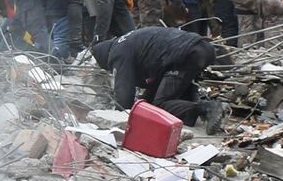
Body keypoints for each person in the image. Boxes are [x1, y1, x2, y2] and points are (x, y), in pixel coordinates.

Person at [91, 27, 226, 130]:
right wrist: (143, 103)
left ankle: (208, 108)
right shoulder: (128, 40)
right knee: (150, 104)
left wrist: (118, 117)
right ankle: (195, 109)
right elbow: (154, 79)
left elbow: (124, 95)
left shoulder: (117, 52)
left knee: (159, 105)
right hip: (200, 48)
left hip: (185, 55)